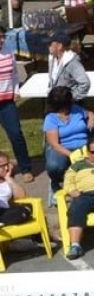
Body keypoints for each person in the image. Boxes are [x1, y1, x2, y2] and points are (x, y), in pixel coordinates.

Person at [43, 86, 94, 194]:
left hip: (83, 144)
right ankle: (58, 181)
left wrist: (91, 119)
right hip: (62, 147)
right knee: (54, 166)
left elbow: (90, 113)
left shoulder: (76, 109)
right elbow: (54, 144)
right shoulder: (51, 118)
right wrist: (72, 155)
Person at [0, 30, 32, 182]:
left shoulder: (8, 50)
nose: (1, 39)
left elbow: (14, 73)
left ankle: (26, 168)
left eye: (2, 36)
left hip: (7, 101)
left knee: (16, 134)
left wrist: (16, 90)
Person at [47, 33, 89, 104]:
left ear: (59, 46)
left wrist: (70, 98)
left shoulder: (72, 62)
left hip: (69, 106)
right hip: (55, 103)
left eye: (50, 44)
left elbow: (85, 83)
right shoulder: (52, 59)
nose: (48, 46)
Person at [0, 151, 29, 226]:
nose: (6, 168)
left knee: (24, 211)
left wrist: (8, 178)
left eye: (7, 165)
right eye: (2, 166)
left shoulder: (7, 182)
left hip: (3, 212)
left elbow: (22, 196)